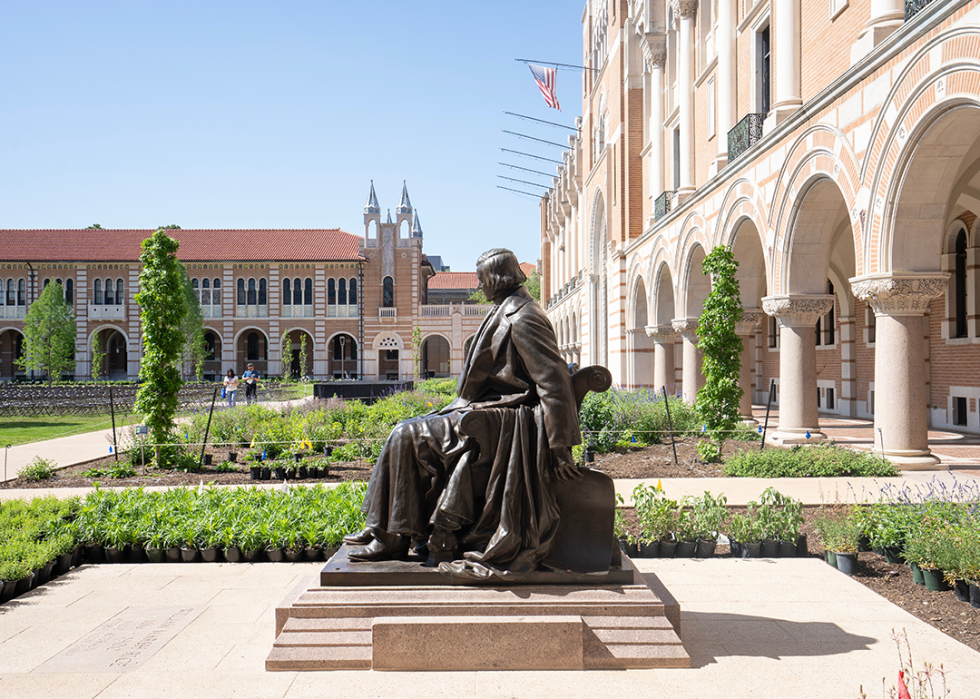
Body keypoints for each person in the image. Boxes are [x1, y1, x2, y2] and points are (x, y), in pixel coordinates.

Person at [345, 248, 581, 580]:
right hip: (482, 413)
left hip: (501, 421)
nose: (480, 286)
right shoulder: (503, 310)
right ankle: (385, 532)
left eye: (483, 279)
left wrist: (559, 447)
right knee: (404, 430)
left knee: (405, 434)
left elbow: (554, 382)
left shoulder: (524, 316)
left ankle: (392, 538)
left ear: (498, 279)